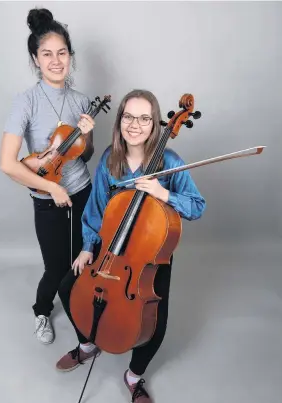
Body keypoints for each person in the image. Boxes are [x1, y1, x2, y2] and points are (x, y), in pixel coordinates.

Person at [55, 89, 206, 402]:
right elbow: (96, 210)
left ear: (154, 124)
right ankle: (88, 344)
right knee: (69, 286)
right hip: (110, 247)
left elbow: (196, 207)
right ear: (119, 120)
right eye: (128, 116)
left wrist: (163, 194)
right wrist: (86, 247)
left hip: (149, 256)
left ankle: (133, 375)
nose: (134, 124)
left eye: (144, 118)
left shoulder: (170, 161)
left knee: (154, 321)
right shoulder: (110, 160)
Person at [0, 7, 95, 344]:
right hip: (47, 199)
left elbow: (87, 155)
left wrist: (86, 135)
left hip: (83, 192)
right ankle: (42, 310)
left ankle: (83, 312)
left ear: (71, 56)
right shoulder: (24, 102)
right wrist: (50, 188)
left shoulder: (82, 100)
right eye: (47, 54)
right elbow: (8, 164)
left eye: (62, 53)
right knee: (56, 268)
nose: (56, 60)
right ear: (35, 59)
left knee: (85, 259)